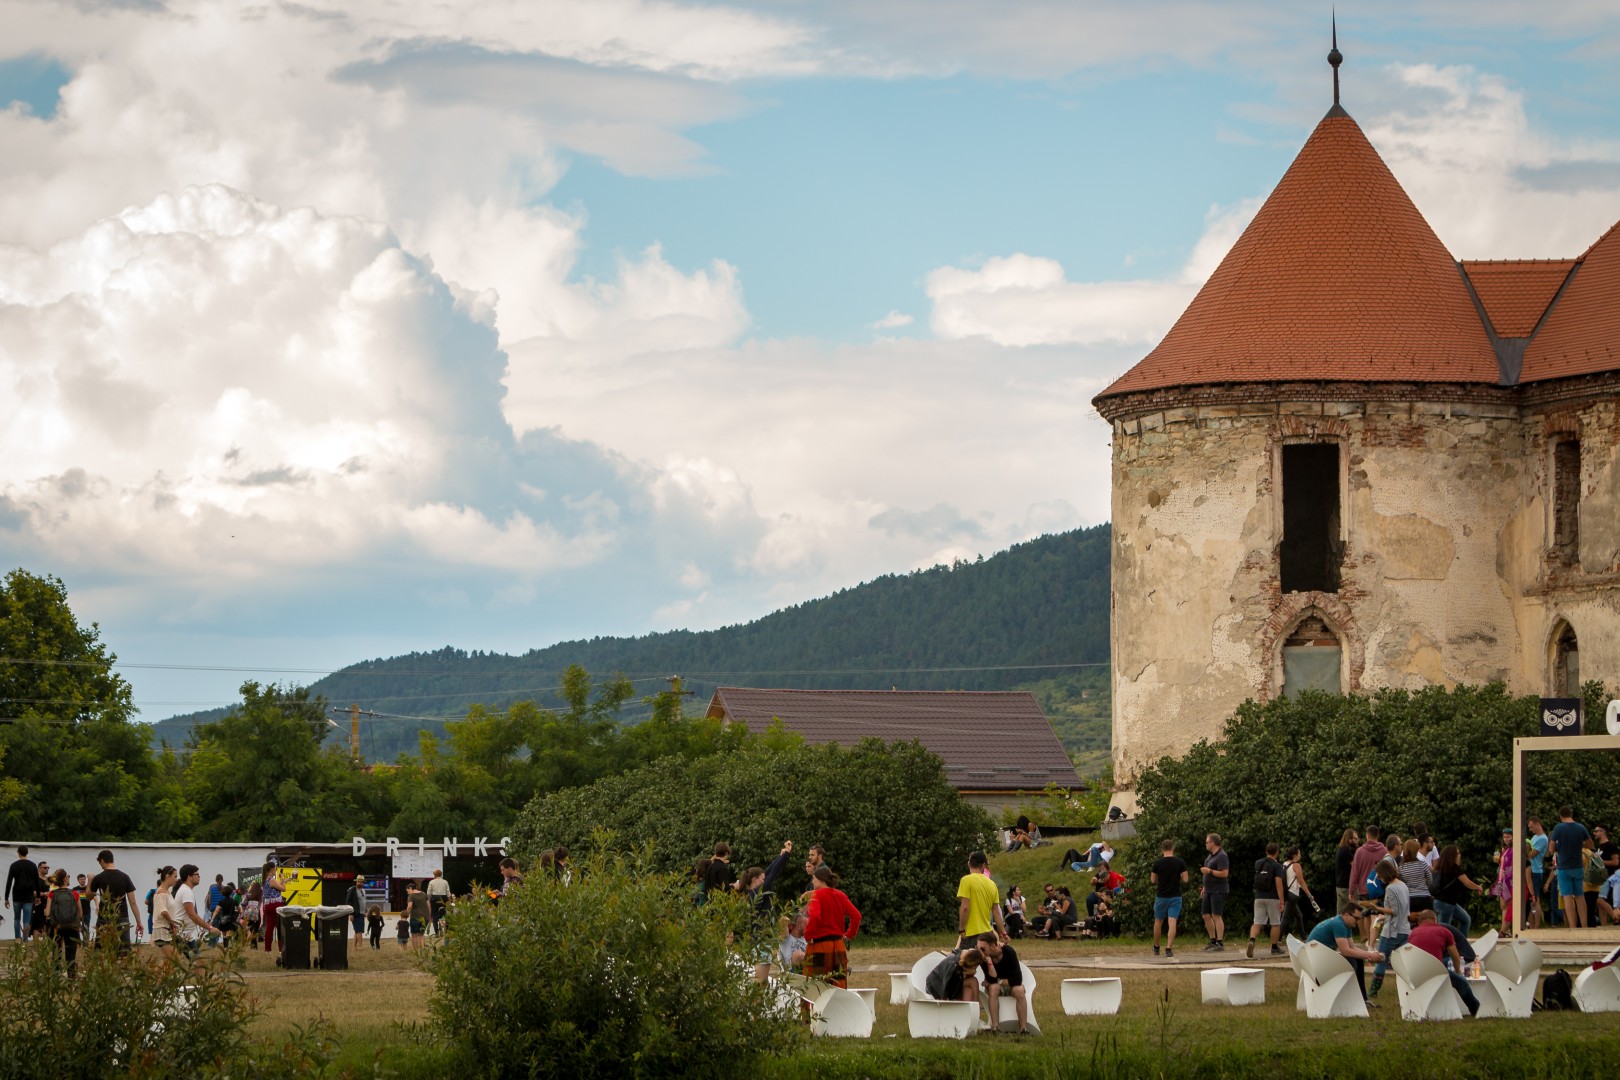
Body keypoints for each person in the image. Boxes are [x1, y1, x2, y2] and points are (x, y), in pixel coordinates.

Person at [1308, 903, 1384, 1003]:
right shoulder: (1338, 924)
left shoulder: (1344, 924)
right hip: (1314, 961)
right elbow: (1346, 951)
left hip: (1320, 957)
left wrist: (1370, 954)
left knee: (1357, 960)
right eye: (1356, 918)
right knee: (1351, 963)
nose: (1357, 922)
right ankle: (1349, 998)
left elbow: (1352, 948)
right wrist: (1369, 955)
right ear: (1346, 915)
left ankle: (1362, 999)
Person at [1407, 911, 1479, 1016]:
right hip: (1435, 972)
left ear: (1419, 922)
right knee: (1461, 983)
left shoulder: (1412, 933)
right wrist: (1458, 971)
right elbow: (1456, 957)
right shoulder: (1444, 931)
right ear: (1435, 920)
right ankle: (1475, 1009)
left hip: (1416, 972)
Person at [803, 865, 860, 988]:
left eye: (814, 878)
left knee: (814, 986)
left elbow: (815, 916)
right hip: (838, 945)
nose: (812, 881)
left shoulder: (816, 895)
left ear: (820, 879)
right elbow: (856, 916)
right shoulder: (840, 895)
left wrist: (808, 935)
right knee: (838, 984)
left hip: (819, 946)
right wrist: (849, 935)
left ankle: (814, 1009)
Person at [1431, 844, 1485, 964]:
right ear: (1453, 856)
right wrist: (1478, 887)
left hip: (1444, 903)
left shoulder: (1438, 869)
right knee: (1443, 930)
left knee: (1466, 919)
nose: (1460, 856)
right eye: (1458, 853)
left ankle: (1461, 945)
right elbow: (1467, 882)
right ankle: (1443, 955)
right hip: (1446, 904)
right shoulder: (1454, 869)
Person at [1366, 862, 1411, 999]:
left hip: (1391, 931)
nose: (1379, 879)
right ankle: (1409, 987)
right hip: (1405, 929)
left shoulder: (1391, 889)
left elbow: (1394, 911)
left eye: (1379, 876)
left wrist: (1377, 909)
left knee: (1381, 960)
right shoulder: (1403, 885)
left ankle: (1373, 991)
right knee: (1405, 962)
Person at [977, 934, 1031, 1035]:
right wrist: (989, 962)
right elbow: (990, 979)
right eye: (978, 948)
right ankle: (995, 1027)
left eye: (982, 949)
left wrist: (998, 981)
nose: (980, 951)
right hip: (999, 986)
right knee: (994, 988)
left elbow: (1017, 980)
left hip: (1011, 986)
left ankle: (1023, 1028)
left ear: (993, 946)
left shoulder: (1009, 952)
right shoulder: (984, 958)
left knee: (1019, 990)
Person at [89, 849, 140, 953]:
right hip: (122, 917)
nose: (100, 866)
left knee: (102, 951)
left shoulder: (99, 878)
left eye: (100, 863)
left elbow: (89, 897)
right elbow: (133, 902)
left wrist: (90, 880)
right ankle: (122, 969)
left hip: (105, 918)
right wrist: (139, 922)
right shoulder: (125, 877)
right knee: (123, 952)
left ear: (102, 860)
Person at [1550, 805, 1591, 929]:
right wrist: (1579, 844)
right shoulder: (1581, 827)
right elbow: (1590, 844)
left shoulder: (1558, 828)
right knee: (1580, 896)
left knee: (1567, 897)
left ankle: (1573, 927)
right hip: (1578, 866)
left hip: (1563, 867)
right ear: (1571, 814)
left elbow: (1551, 848)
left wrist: (1559, 847)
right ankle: (1584, 926)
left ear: (1561, 816)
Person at [955, 850, 1006, 947]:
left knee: (963, 960)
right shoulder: (992, 884)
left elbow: (965, 908)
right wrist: (1004, 933)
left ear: (969, 863)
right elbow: (996, 912)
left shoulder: (966, 880)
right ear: (983, 865)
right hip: (987, 932)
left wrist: (961, 929)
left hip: (972, 933)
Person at [1247, 842, 1287, 958]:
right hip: (1272, 897)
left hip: (1259, 896)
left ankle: (1252, 940)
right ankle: (1274, 947)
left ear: (1266, 852)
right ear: (1277, 853)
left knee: (1257, 922)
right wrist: (1282, 900)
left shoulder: (1258, 863)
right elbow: (1278, 883)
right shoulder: (1277, 866)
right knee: (1275, 923)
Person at [1150, 838, 1188, 958]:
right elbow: (1186, 880)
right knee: (1172, 922)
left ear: (1162, 849)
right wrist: (1180, 876)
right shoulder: (1180, 862)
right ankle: (1168, 948)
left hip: (1161, 896)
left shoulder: (1157, 863)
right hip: (1175, 896)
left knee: (1158, 922)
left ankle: (1156, 947)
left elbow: (1153, 880)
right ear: (1173, 848)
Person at [44, 868, 83, 977]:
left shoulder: (52, 894)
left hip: (58, 927)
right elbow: (80, 914)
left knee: (57, 951)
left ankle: (56, 974)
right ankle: (71, 975)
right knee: (71, 953)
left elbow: (47, 913)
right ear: (65, 879)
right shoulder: (75, 893)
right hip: (73, 927)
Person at [1199, 833, 1230, 951]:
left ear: (1213, 842)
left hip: (1218, 889)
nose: (1206, 844)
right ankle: (1212, 940)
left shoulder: (1222, 856)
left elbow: (1224, 873)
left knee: (1216, 915)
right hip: (1209, 889)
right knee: (1205, 915)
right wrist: (1204, 887)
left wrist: (1209, 871)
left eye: (1207, 842)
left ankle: (1220, 942)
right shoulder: (1210, 856)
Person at [174, 864, 213, 959]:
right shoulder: (186, 892)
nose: (199, 876)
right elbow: (192, 915)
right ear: (189, 877)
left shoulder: (186, 890)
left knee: (172, 960)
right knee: (198, 962)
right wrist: (210, 928)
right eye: (197, 874)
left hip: (185, 934)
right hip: (183, 935)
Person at [1282, 847, 1317, 940]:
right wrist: (1309, 895)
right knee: (1285, 917)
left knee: (1298, 916)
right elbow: (1301, 882)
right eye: (1299, 853)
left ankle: (1304, 937)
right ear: (1295, 855)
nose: (1300, 855)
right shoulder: (1296, 866)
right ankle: (1277, 939)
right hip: (1293, 894)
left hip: (1286, 893)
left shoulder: (1285, 864)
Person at [4, 846, 39, 941]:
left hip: (17, 896)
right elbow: (37, 882)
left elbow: (9, 882)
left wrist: (6, 897)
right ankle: (25, 939)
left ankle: (17, 939)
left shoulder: (14, 865)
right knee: (26, 920)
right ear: (27, 853)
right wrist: (38, 895)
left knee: (16, 919)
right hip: (28, 896)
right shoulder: (32, 865)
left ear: (18, 852)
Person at [1348, 826, 1387, 904]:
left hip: (1364, 891)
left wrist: (1351, 891)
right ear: (1378, 835)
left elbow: (1355, 874)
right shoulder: (1385, 851)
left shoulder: (1360, 852)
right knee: (1380, 915)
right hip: (1380, 890)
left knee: (1366, 915)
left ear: (1367, 835)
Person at [150, 866, 179, 960]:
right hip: (161, 930)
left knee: (171, 959)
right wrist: (172, 922)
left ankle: (157, 973)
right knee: (174, 958)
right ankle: (154, 973)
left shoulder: (167, 892)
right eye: (175, 876)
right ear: (167, 876)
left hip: (167, 929)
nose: (176, 879)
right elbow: (163, 911)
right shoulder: (161, 892)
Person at [1397, 839, 1433, 914]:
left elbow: (1402, 884)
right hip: (1424, 897)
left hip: (1409, 899)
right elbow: (1430, 881)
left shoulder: (1401, 868)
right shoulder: (1422, 864)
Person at [260, 861, 288, 951]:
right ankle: (281, 948)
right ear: (272, 869)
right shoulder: (271, 879)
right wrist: (283, 879)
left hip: (268, 905)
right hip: (276, 905)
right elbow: (283, 888)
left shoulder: (265, 880)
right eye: (275, 868)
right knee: (280, 927)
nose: (276, 869)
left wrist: (286, 880)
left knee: (269, 927)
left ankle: (267, 948)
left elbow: (278, 885)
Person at [1527, 817, 1549, 929]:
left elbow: (1531, 854)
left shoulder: (1543, 839)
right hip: (1531, 870)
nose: (1530, 830)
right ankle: (1530, 924)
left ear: (1537, 824)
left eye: (1531, 827)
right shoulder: (1535, 837)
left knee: (1536, 899)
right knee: (1531, 899)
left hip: (1536, 871)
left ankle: (1537, 926)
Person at [1334, 829, 1359, 912]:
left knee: (1341, 913)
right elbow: (1355, 866)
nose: (1357, 841)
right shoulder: (1346, 851)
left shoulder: (1341, 849)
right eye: (1355, 839)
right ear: (1349, 839)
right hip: (1346, 886)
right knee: (1357, 909)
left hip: (1340, 886)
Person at [406, 880, 431, 949]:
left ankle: (416, 951)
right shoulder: (423, 894)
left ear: (411, 888)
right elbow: (428, 905)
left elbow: (410, 906)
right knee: (421, 935)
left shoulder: (411, 896)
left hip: (415, 918)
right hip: (425, 918)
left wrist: (406, 913)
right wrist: (429, 916)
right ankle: (422, 949)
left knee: (414, 935)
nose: (407, 892)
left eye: (408, 890)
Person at [346, 878, 369, 945]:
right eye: (358, 882)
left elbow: (363, 901)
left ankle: (354, 948)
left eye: (361, 882)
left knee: (357, 931)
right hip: (355, 913)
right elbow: (348, 901)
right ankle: (361, 946)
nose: (359, 883)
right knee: (359, 931)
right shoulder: (352, 890)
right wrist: (351, 913)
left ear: (363, 883)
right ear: (356, 882)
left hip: (361, 913)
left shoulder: (363, 890)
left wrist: (365, 911)